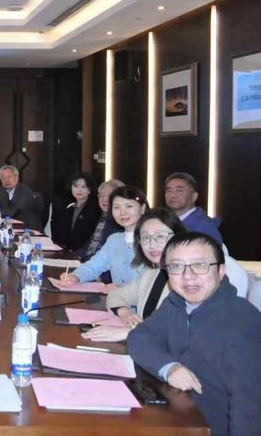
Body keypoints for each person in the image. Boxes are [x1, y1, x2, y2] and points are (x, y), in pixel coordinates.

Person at [127, 232, 261, 436]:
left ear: (221, 271)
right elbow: (140, 337)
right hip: (174, 415)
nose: (188, 276)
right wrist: (170, 368)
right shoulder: (176, 303)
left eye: (199, 265)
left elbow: (249, 406)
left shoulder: (243, 321)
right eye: (176, 266)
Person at [82, 208, 185, 343]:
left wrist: (128, 333)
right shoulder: (153, 272)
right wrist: (126, 314)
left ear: (178, 237)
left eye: (160, 236)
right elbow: (117, 295)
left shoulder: (189, 279)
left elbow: (182, 333)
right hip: (142, 347)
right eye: (145, 238)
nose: (152, 244)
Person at [60, 185, 148, 290]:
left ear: (142, 208)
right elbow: (93, 266)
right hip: (115, 299)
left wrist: (121, 290)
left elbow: (153, 287)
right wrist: (75, 276)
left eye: (129, 206)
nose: (122, 212)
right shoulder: (114, 240)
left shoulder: (153, 242)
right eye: (117, 207)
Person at [164, 172, 223, 244]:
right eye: (169, 190)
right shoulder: (163, 222)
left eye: (180, 191)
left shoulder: (206, 228)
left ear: (194, 196)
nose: (172, 195)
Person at [50, 172, 101, 251]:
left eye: (83, 187)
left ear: (90, 190)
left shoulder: (95, 209)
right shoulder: (67, 206)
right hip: (64, 250)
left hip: (83, 252)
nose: (79, 190)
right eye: (75, 186)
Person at [76, 179, 125, 262]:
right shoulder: (103, 215)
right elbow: (92, 242)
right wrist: (76, 256)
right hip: (88, 261)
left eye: (109, 195)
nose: (105, 199)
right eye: (102, 195)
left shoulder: (122, 221)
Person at [0, 165, 42, 230]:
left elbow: (14, 211)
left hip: (28, 229)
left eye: (9, 177)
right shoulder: (1, 190)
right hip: (11, 227)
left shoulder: (24, 190)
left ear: (16, 177)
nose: (6, 180)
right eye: (3, 178)